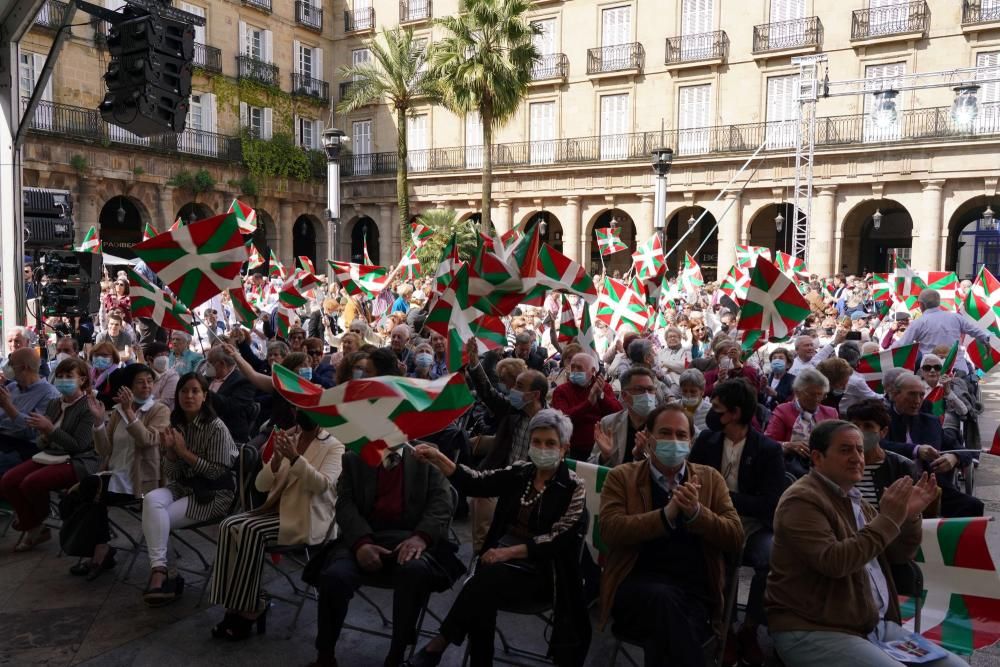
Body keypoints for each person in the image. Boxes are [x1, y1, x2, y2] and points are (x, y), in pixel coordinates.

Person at [765, 420, 967, 667]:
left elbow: (898, 554)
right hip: (815, 629)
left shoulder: (854, 498)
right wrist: (889, 518)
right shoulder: (801, 500)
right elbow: (834, 562)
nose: (856, 457)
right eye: (845, 450)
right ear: (817, 458)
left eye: (859, 450)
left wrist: (908, 516)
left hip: (872, 625)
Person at [407, 409, 590, 667]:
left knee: (485, 578)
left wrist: (507, 553)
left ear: (564, 448)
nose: (542, 448)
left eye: (550, 443)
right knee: (485, 585)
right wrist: (439, 458)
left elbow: (559, 539)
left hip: (543, 573)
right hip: (499, 565)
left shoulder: (573, 488)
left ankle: (440, 645)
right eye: (537, 442)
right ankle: (461, 655)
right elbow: (477, 483)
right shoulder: (521, 473)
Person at [599, 404, 744, 667]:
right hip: (635, 587)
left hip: (693, 593)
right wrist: (665, 516)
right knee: (663, 601)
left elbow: (735, 537)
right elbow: (610, 530)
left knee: (665, 629)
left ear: (691, 440)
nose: (673, 441)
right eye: (665, 433)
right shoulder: (623, 477)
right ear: (649, 437)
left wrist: (696, 513)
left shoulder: (710, 479)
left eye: (681, 435)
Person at [306, 440, 460, 667]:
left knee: (414, 571)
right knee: (334, 576)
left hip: (410, 537)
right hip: (366, 535)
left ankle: (397, 654)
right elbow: (345, 505)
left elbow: (442, 503)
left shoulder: (426, 456)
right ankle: (325, 655)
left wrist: (421, 537)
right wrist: (361, 543)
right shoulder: (354, 458)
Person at [209, 412, 344, 640]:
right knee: (229, 525)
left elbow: (322, 486)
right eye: (299, 409)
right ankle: (235, 604)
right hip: (277, 511)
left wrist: (294, 458)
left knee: (250, 531)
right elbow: (261, 486)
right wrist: (276, 461)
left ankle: (249, 610)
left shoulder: (334, 445)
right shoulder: (291, 439)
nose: (303, 414)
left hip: (306, 518)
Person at [690, 379, 786, 666]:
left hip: (754, 524)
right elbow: (692, 479)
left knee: (766, 560)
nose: (711, 414)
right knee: (708, 554)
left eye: (717, 410)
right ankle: (724, 627)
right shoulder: (707, 440)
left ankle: (750, 627)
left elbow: (770, 502)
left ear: (734, 412)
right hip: (712, 518)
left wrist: (724, 497)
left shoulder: (768, 450)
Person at [65, 364, 170, 579]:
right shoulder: (117, 413)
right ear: (128, 387)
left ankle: (99, 551)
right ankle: (99, 550)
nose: (147, 386)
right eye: (140, 382)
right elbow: (104, 450)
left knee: (88, 493)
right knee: (77, 499)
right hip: (112, 477)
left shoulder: (159, 410)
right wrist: (98, 422)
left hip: (140, 482)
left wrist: (131, 412)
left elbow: (148, 439)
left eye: (150, 381)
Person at [141, 373, 237, 606]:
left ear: (205, 396)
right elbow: (173, 474)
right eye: (184, 391)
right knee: (151, 500)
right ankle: (162, 569)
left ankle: (166, 576)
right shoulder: (178, 424)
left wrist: (184, 453)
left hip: (214, 494)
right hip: (185, 487)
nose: (189, 396)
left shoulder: (216, 428)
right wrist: (171, 454)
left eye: (195, 391)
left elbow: (216, 473)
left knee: (157, 522)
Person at [0, 357, 97, 551]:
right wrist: (44, 434)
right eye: (59, 376)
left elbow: (79, 445)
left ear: (82, 380)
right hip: (49, 455)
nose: (63, 380)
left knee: (31, 483)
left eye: (69, 376)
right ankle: (35, 525)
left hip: (77, 461)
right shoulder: (55, 403)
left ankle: (34, 522)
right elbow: (41, 440)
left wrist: (50, 430)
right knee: (9, 480)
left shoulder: (88, 407)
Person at [883, 372, 983, 518]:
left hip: (931, 486)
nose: (917, 401)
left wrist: (954, 457)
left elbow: (965, 450)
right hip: (892, 486)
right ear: (894, 394)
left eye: (921, 395)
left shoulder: (930, 422)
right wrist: (916, 450)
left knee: (973, 506)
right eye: (911, 394)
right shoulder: (882, 419)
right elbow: (878, 445)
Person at [844, 400, 928, 512]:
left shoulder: (902, 466)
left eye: (868, 426)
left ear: (883, 432)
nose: (860, 431)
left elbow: (910, 511)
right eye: (855, 426)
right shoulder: (838, 463)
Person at [765, 368, 839, 478]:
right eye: (812, 394)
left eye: (821, 394)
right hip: (791, 470)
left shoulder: (830, 413)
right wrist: (789, 446)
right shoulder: (783, 410)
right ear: (797, 392)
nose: (817, 399)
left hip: (824, 469)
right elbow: (767, 443)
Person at [898, 288, 992, 373]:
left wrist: (885, 357)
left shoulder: (918, 323)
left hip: (930, 372)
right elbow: (976, 331)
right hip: (958, 368)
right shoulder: (955, 317)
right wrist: (986, 343)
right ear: (939, 303)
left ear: (921, 304)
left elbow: (901, 345)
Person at [0, 348, 60, 474]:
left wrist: (8, 407)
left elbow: (33, 432)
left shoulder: (49, 394)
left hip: (23, 447)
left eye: (11, 364)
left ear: (24, 367)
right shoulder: (12, 387)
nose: (7, 367)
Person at [551, 352, 622, 460]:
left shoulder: (603, 387)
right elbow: (563, 419)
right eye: (572, 367)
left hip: (600, 446)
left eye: (579, 368)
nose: (574, 371)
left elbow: (617, 412)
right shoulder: (561, 390)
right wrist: (588, 403)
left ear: (593, 371)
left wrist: (600, 396)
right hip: (572, 448)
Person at [590, 367, 659, 467]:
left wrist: (641, 456)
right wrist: (604, 456)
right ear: (624, 395)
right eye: (640, 390)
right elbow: (590, 464)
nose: (647, 395)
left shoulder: (664, 425)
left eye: (650, 389)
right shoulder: (609, 423)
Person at [205, 345, 257, 443]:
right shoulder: (207, 377)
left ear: (222, 364)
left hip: (227, 434)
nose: (207, 365)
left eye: (210, 362)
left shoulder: (243, 381)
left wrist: (204, 392)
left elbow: (231, 407)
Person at [145, 342, 179, 410]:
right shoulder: (143, 374)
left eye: (166, 356)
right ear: (149, 359)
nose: (164, 359)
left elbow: (165, 402)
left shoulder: (172, 376)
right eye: (160, 355)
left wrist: (141, 405)